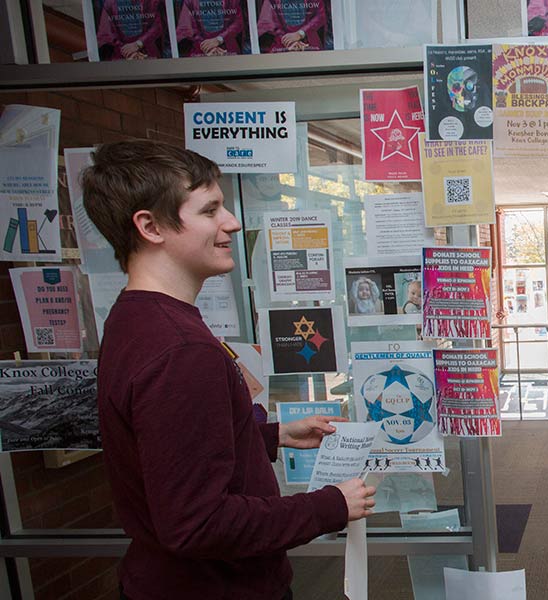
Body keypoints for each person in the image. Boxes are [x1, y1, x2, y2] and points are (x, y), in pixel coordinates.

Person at [81, 140, 375, 599]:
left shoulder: (136, 319)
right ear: (150, 226)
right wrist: (328, 506)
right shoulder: (180, 350)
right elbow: (199, 523)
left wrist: (270, 434)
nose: (232, 223)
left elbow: (168, 452)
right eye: (209, 210)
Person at [95, 0, 170, 61]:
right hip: (121, 55)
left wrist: (138, 44)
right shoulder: (110, 3)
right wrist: (127, 51)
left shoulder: (152, 1)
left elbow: (158, 26)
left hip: (148, 53)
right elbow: (106, 33)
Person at [175, 0, 249, 57]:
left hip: (228, 48)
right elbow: (186, 28)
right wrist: (208, 46)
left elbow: (238, 23)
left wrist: (219, 39)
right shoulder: (190, 1)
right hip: (200, 50)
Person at [256, 0, 329, 53]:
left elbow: (320, 16)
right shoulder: (270, 1)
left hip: (308, 42)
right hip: (281, 44)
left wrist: (300, 33)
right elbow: (267, 23)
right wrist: (289, 41)